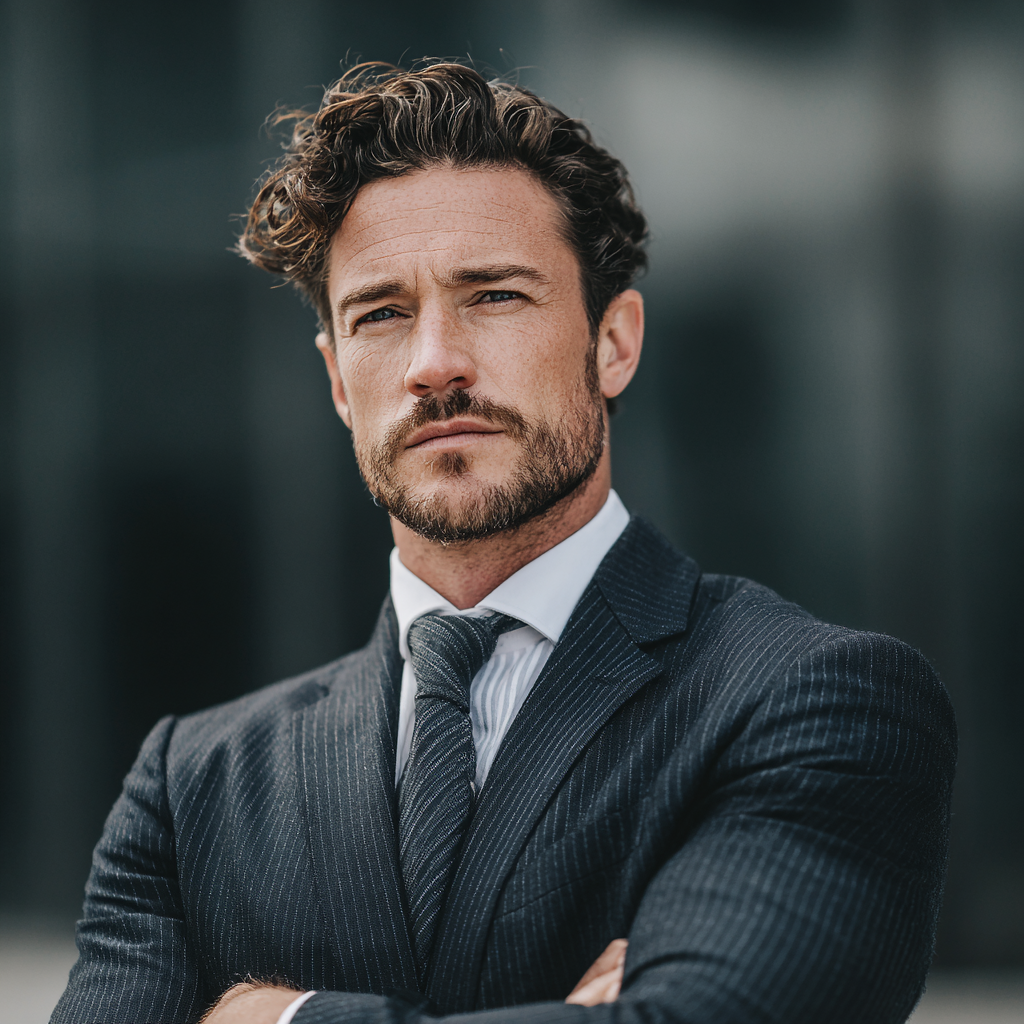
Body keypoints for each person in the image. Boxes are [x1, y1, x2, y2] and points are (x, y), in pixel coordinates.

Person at [52, 62, 956, 1024]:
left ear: (613, 343)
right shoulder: (193, 788)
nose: (434, 363)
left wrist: (281, 1019)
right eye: (382, 313)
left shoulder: (815, 702)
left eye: (493, 296)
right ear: (339, 382)